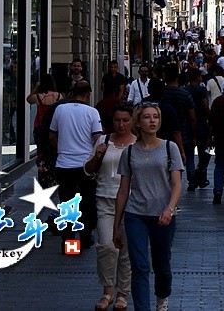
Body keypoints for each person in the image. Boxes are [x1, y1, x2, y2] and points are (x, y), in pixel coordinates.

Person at [113, 103, 183, 311]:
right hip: (136, 214)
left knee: (162, 265)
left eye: (155, 117)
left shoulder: (170, 148)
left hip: (163, 214)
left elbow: (177, 183)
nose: (152, 121)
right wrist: (117, 224)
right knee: (140, 266)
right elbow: (123, 190)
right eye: (147, 117)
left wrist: (169, 209)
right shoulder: (130, 152)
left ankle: (162, 297)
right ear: (139, 122)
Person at [86, 103, 135, 311]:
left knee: (125, 249)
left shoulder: (138, 145)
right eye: (117, 120)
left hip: (132, 203)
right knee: (106, 245)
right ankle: (107, 290)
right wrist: (97, 156)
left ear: (132, 121)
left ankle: (123, 292)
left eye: (125, 120)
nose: (121, 124)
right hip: (105, 198)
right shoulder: (103, 140)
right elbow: (87, 170)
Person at [49, 81, 104, 249]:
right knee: (86, 203)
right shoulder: (92, 112)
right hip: (85, 166)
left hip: (64, 165)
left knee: (66, 202)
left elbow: (52, 135)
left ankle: (69, 242)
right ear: (88, 94)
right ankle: (86, 237)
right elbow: (97, 139)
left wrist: (60, 151)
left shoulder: (60, 109)